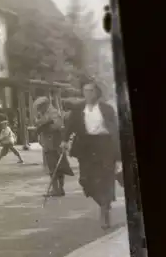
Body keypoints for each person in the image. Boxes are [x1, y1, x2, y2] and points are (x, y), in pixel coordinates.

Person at [62, 78, 121, 229]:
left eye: (91, 90)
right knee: (85, 180)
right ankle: (103, 203)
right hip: (86, 147)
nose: (88, 93)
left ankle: (104, 211)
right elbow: (70, 126)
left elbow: (115, 131)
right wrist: (64, 140)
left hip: (105, 145)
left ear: (97, 92)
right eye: (85, 91)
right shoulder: (78, 109)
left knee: (106, 179)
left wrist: (118, 154)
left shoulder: (107, 109)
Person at [34, 96, 74, 197]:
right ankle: (56, 189)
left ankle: (58, 189)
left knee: (57, 167)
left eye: (40, 107)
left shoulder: (53, 112)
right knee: (53, 167)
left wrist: (45, 126)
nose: (39, 110)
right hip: (48, 144)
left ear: (45, 105)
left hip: (55, 143)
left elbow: (58, 125)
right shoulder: (43, 114)